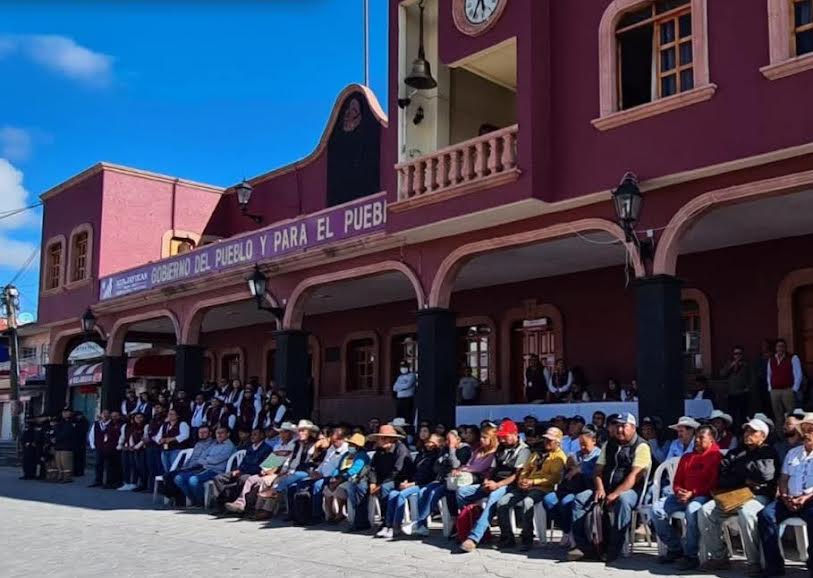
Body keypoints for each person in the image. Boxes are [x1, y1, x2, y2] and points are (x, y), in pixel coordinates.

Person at [698, 417, 779, 573]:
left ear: (763, 436)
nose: (748, 434)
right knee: (705, 511)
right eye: (747, 430)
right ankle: (719, 557)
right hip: (732, 495)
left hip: (757, 495)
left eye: (753, 431)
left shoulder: (768, 452)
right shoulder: (736, 452)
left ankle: (753, 562)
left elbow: (765, 475)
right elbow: (722, 477)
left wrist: (737, 471)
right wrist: (745, 478)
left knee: (746, 513)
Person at [569, 413, 652, 563]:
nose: (619, 430)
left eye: (623, 426)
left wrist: (615, 493)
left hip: (632, 490)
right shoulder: (609, 444)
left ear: (633, 428)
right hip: (606, 487)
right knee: (580, 499)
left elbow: (635, 476)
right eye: (617, 426)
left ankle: (613, 549)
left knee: (623, 500)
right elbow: (597, 471)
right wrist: (600, 488)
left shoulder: (641, 446)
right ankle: (584, 547)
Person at [652, 425, 722, 571]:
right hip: (682, 496)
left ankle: (691, 556)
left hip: (704, 496)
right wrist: (679, 491)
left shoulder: (716, 456)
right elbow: (677, 481)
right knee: (657, 509)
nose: (696, 440)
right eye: (696, 437)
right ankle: (675, 548)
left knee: (692, 510)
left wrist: (693, 493)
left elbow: (714, 484)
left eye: (701, 438)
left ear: (712, 440)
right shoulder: (687, 457)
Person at [459, 419, 530, 553]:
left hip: (509, 485)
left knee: (493, 497)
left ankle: (474, 537)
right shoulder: (500, 448)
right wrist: (486, 481)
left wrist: (497, 485)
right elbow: (492, 469)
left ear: (515, 434)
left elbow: (516, 475)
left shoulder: (523, 450)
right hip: (493, 482)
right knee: (462, 492)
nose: (502, 440)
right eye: (500, 437)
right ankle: (473, 527)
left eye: (505, 437)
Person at [758, 412, 813, 578]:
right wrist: (784, 496)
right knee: (766, 515)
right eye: (805, 430)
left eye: (811, 430)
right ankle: (774, 566)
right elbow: (783, 478)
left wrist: (805, 497)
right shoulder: (793, 453)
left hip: (810, 499)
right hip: (788, 498)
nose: (807, 433)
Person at [496, 426, 566, 550]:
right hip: (526, 485)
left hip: (542, 488)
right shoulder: (537, 453)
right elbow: (525, 469)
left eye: (550, 440)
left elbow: (553, 479)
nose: (546, 442)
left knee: (527, 502)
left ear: (557, 442)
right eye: (545, 439)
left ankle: (527, 538)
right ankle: (507, 538)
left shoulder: (559, 457)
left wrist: (533, 482)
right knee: (502, 502)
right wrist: (522, 480)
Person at [376, 433, 442, 539]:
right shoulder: (422, 454)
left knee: (401, 495)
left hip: (423, 484)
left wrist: (412, 484)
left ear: (438, 444)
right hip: (412, 482)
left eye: (432, 442)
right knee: (392, 494)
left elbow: (431, 476)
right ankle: (388, 526)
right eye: (428, 441)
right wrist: (407, 481)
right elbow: (413, 470)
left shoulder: (437, 457)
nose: (428, 444)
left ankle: (396, 526)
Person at [544, 426, 601, 548]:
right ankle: (566, 529)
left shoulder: (598, 455)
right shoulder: (577, 454)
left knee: (566, 502)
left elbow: (595, 473)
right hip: (569, 487)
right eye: (580, 444)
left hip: (586, 488)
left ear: (594, 441)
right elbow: (568, 471)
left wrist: (580, 469)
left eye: (585, 444)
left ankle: (573, 534)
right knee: (549, 499)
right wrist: (569, 465)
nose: (582, 447)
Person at [353, 424, 414, 532]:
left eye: (385, 438)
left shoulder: (401, 449)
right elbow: (372, 468)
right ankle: (361, 522)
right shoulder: (379, 451)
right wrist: (373, 482)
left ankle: (387, 522)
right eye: (380, 438)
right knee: (361, 486)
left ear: (392, 439)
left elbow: (397, 471)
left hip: (398, 479)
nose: (381, 440)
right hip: (381, 479)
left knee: (385, 488)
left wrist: (380, 485)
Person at [285, 428, 348, 523]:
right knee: (300, 484)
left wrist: (323, 475)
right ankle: (297, 514)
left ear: (342, 439)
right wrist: (317, 471)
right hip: (319, 474)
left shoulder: (345, 450)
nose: (334, 443)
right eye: (332, 440)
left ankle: (317, 515)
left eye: (336, 441)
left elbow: (340, 468)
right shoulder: (331, 448)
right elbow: (324, 463)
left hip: (332, 477)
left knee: (317, 485)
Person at [174, 426, 236, 507]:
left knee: (193, 480)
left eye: (222, 433)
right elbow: (202, 456)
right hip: (204, 468)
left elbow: (216, 460)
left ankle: (201, 502)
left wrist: (206, 460)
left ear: (228, 434)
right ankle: (194, 500)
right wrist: (206, 460)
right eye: (217, 433)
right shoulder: (214, 444)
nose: (219, 435)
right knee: (178, 478)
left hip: (216, 471)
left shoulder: (229, 446)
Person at [160, 424, 214, 507]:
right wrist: (185, 466)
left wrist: (191, 466)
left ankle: (177, 499)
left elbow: (204, 459)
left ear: (210, 433)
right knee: (168, 475)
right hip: (190, 466)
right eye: (200, 433)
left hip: (199, 467)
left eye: (204, 432)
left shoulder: (212, 444)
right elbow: (192, 457)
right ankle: (176, 499)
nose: (202, 434)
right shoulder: (198, 444)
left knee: (175, 476)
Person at [767, 338, 804, 425]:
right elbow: (769, 374)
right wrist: (770, 388)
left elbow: (798, 374)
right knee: (777, 414)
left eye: (782, 346)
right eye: (778, 346)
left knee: (791, 414)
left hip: (788, 390)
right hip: (774, 391)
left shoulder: (793, 358)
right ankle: (780, 432)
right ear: (775, 348)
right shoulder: (771, 359)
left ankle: (792, 431)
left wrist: (794, 389)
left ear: (785, 348)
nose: (780, 348)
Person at [721, 345, 755, 427]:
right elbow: (722, 374)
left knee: (743, 414)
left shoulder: (747, 364)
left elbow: (753, 378)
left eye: (739, 353)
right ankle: (733, 430)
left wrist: (748, 388)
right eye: (735, 354)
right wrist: (731, 366)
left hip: (743, 393)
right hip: (731, 393)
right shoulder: (729, 363)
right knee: (732, 414)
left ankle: (742, 430)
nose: (737, 356)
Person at [88, 409, 120, 488]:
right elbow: (91, 435)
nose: (105, 415)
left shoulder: (112, 424)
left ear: (109, 415)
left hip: (110, 448)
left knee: (109, 465)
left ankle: (109, 482)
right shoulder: (96, 424)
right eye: (103, 413)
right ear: (101, 415)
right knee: (98, 464)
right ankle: (98, 480)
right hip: (99, 447)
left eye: (107, 413)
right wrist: (93, 445)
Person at [119, 412, 147, 491]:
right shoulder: (131, 426)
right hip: (130, 448)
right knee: (127, 465)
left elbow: (145, 438)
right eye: (136, 417)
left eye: (140, 417)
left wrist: (136, 447)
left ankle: (135, 483)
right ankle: (127, 482)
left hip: (140, 449)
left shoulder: (145, 426)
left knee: (137, 467)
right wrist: (125, 445)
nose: (138, 419)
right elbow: (129, 437)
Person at [144, 403, 166, 493]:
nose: (156, 409)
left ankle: (161, 488)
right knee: (151, 467)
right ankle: (151, 487)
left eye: (158, 407)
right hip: (150, 445)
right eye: (155, 407)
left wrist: (153, 438)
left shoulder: (164, 419)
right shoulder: (153, 419)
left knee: (159, 467)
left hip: (158, 445)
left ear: (162, 408)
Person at [52, 407, 76, 484]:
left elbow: (67, 433)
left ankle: (67, 477)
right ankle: (60, 476)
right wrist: (53, 438)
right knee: (59, 462)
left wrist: (57, 438)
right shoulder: (60, 421)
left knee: (66, 463)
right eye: (63, 412)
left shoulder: (72, 422)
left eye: (66, 412)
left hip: (67, 445)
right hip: (58, 445)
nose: (64, 413)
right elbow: (55, 430)